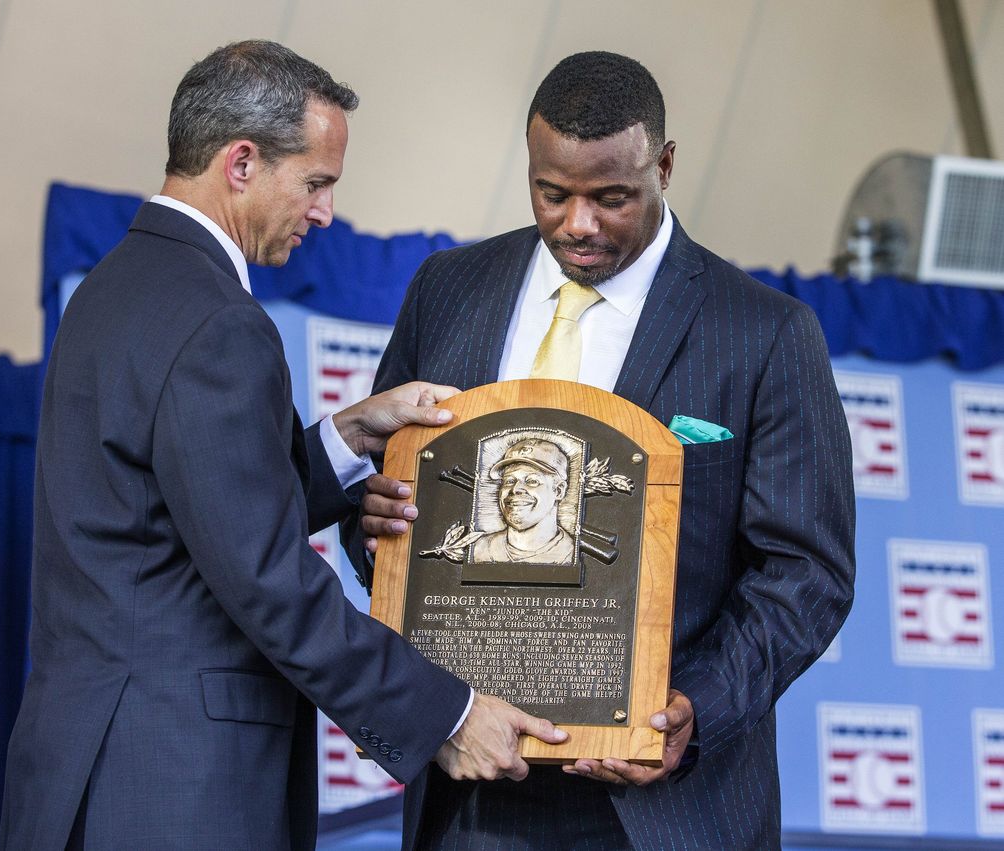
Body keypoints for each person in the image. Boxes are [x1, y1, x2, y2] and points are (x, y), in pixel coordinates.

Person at [0, 40, 565, 851]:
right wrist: (451, 711)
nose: (326, 212)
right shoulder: (221, 322)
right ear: (240, 162)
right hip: (178, 789)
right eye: (317, 182)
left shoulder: (110, 290)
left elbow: (177, 518)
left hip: (89, 769)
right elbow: (269, 581)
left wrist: (347, 435)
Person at [357, 51, 855, 850]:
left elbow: (806, 571)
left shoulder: (764, 333)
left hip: (664, 807)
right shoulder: (448, 288)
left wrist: (700, 705)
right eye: (552, 193)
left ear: (664, 166)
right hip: (472, 796)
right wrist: (376, 522)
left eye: (611, 197)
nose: (578, 223)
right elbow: (385, 516)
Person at [472, 437, 576, 564]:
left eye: (532, 481)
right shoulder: (479, 550)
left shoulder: (572, 555)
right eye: (509, 481)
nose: (515, 489)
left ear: (559, 490)